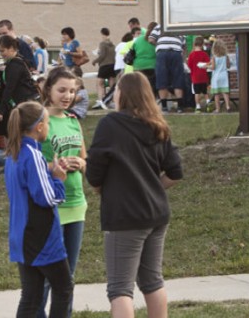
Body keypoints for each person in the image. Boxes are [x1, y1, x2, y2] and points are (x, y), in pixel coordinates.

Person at [86, 72, 183, 318]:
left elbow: (95, 172)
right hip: (156, 214)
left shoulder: (110, 125)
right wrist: (150, 187)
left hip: (124, 217)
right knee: (153, 281)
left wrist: (102, 188)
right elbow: (174, 173)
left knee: (120, 288)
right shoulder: (158, 125)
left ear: (122, 94)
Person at [5, 100, 72, 318]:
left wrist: (49, 174)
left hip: (22, 233)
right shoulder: (32, 154)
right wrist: (59, 180)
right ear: (39, 127)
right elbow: (46, 197)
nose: (49, 127)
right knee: (63, 288)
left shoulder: (13, 153)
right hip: (40, 235)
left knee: (31, 296)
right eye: (47, 123)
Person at [37, 67, 87, 318]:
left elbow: (83, 158)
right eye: (62, 90)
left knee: (68, 276)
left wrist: (80, 163)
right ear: (48, 90)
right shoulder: (39, 120)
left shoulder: (73, 120)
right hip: (51, 205)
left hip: (76, 204)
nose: (67, 95)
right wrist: (52, 167)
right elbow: (24, 161)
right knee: (46, 276)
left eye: (72, 91)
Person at [0, 34, 40, 137]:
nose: (1, 54)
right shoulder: (16, 61)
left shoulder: (15, 65)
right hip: (24, 102)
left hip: (24, 104)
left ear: (12, 48)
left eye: (2, 51)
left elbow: (9, 88)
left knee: (21, 134)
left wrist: (1, 110)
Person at [92, 28, 116, 110]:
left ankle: (101, 100)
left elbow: (102, 55)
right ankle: (112, 101)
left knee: (100, 83)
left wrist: (95, 61)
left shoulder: (102, 43)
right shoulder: (112, 44)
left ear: (102, 33)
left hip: (104, 65)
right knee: (112, 85)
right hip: (113, 65)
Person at [131, 22, 158, 93]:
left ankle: (139, 102)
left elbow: (132, 51)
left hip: (138, 66)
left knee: (140, 88)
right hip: (152, 65)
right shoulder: (156, 40)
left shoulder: (138, 39)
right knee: (151, 88)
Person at [187, 36, 211, 112]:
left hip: (195, 77)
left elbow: (189, 65)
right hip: (203, 76)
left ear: (194, 44)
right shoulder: (204, 54)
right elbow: (208, 63)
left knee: (196, 93)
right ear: (202, 44)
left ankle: (198, 107)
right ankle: (208, 104)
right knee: (205, 92)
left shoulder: (191, 55)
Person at [210, 38, 232, 113]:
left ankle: (218, 109)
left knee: (217, 94)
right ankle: (228, 106)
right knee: (225, 92)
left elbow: (213, 67)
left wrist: (207, 66)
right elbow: (228, 66)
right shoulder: (226, 56)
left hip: (216, 76)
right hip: (224, 76)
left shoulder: (214, 57)